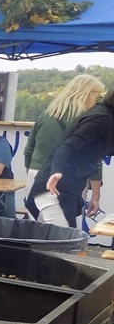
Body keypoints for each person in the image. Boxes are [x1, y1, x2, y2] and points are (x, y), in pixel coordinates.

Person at [27, 87, 114, 228]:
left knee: (56, 243)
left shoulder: (104, 113)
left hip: (67, 188)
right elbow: (67, 146)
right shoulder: (102, 119)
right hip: (54, 190)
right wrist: (57, 172)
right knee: (63, 243)